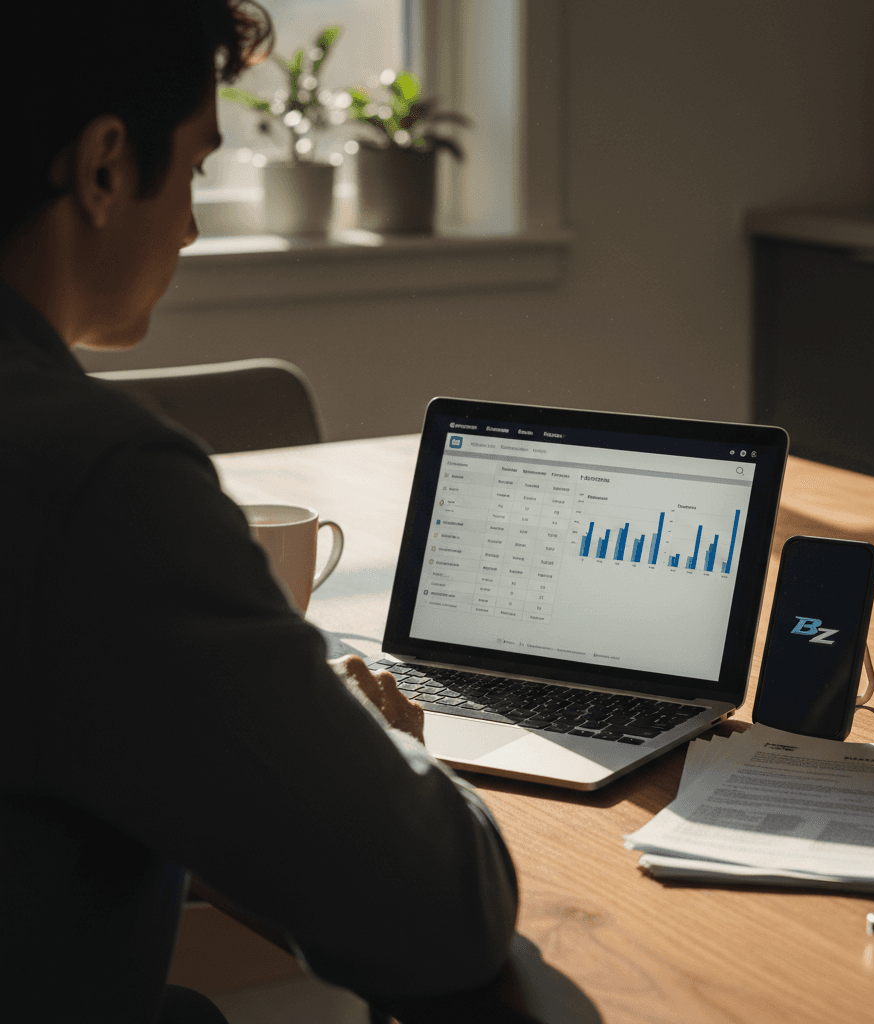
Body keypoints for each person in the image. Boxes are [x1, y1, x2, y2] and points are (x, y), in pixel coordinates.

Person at [0, 3, 518, 1021]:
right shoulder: (95, 480)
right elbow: (443, 911)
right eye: (194, 168)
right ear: (104, 166)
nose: (191, 223)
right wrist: (379, 743)